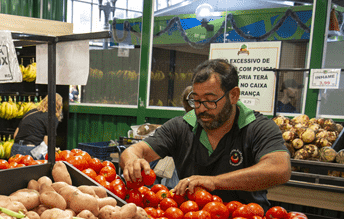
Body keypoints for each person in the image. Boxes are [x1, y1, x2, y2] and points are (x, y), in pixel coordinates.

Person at [120, 59, 291, 209]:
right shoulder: (182, 126)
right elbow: (134, 151)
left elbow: (279, 168)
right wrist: (132, 161)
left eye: (210, 100)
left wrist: (214, 182)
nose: (201, 108)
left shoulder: (258, 127)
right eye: (196, 100)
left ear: (233, 95)